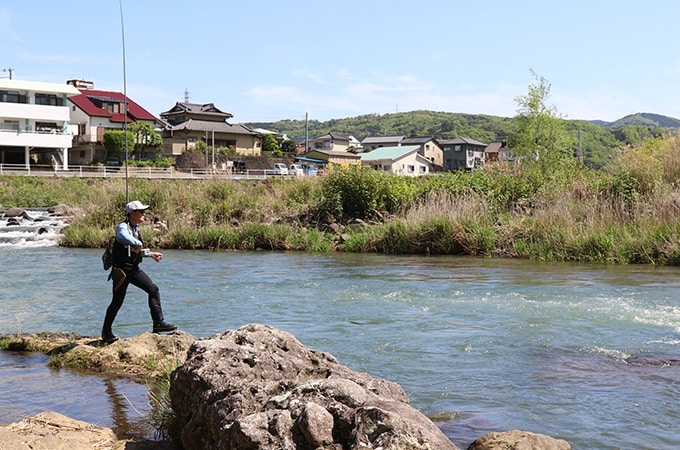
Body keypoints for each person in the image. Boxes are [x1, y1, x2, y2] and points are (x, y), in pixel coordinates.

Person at [101, 200, 176, 343]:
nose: (144, 214)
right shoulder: (123, 227)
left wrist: (150, 254)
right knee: (117, 301)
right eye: (141, 211)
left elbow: (135, 250)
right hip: (122, 271)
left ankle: (158, 324)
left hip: (134, 270)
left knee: (153, 289)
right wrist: (138, 243)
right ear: (132, 213)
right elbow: (122, 237)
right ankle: (106, 332)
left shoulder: (135, 228)